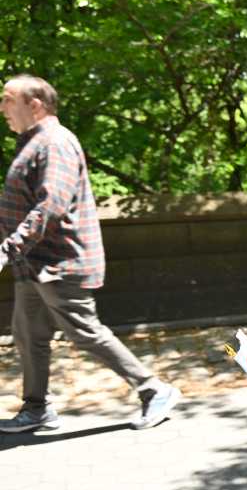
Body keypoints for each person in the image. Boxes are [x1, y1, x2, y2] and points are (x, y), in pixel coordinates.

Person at [0, 74, 180, 433]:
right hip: (32, 265)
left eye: (7, 99)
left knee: (85, 332)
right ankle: (37, 407)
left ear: (35, 105)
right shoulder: (33, 142)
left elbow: (51, 205)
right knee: (28, 333)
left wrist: (8, 248)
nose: (2, 107)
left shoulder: (55, 142)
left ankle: (153, 389)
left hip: (59, 262)